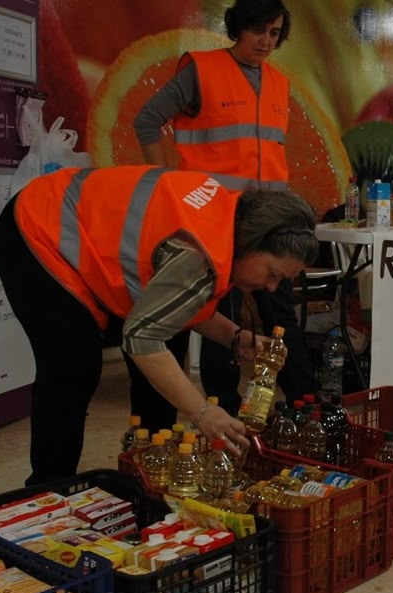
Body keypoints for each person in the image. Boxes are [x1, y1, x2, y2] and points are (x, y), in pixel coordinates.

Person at [0, 165, 319, 485]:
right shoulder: (198, 255)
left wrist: (232, 336)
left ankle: (149, 474)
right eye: (273, 274)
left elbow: (178, 309)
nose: (272, 288)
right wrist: (202, 411)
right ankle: (49, 489)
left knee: (168, 343)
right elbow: (141, 335)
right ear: (253, 243)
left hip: (72, 226)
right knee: (73, 365)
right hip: (41, 228)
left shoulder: (228, 221)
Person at [132, 0, 316, 429]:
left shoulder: (279, 83)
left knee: (281, 319)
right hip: (215, 224)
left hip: (271, 228)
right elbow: (147, 121)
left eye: (274, 33)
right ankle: (224, 415)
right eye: (258, 31)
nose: (266, 42)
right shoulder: (200, 70)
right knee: (218, 319)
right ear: (238, 28)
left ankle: (308, 408)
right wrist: (164, 184)